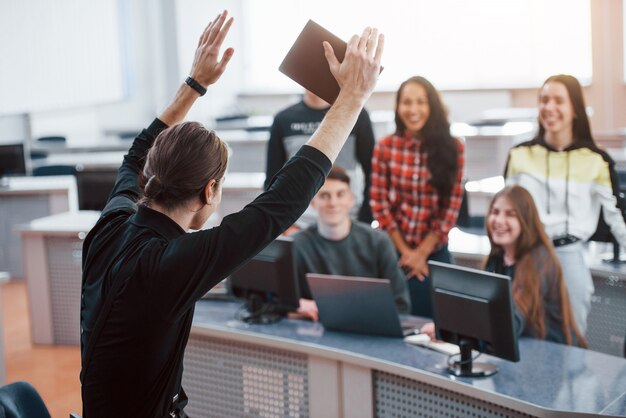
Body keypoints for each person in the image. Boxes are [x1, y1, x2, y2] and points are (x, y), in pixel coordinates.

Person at [79, 11, 384, 417]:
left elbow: (137, 154)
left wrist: (195, 84)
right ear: (210, 191)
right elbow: (280, 205)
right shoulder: (169, 265)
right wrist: (352, 99)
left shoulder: (109, 227)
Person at [505, 74, 626, 335]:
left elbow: (617, 219)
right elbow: (506, 211)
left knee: (571, 337)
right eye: (544, 100)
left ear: (575, 109)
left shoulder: (596, 159)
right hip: (527, 254)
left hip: (570, 256)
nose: (549, 107)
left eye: (559, 100)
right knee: (521, 335)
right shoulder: (519, 155)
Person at [421, 186, 586, 346]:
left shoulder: (539, 260)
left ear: (526, 220)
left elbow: (510, 324)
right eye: (495, 212)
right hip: (521, 347)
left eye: (510, 214)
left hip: (551, 355)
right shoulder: (498, 257)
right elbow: (485, 311)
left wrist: (451, 331)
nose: (499, 220)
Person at [370, 76, 464, 318]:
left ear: (432, 106)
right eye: (406, 102)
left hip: (434, 249)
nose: (413, 110)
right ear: (398, 107)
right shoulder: (385, 147)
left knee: (441, 320)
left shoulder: (454, 147)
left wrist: (421, 253)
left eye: (420, 102)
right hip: (394, 248)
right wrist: (406, 253)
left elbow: (451, 208)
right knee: (395, 317)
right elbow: (378, 203)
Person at [292, 165, 411, 321]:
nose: (333, 203)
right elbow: (280, 302)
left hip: (370, 331)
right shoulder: (297, 245)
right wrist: (296, 305)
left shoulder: (378, 242)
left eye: (340, 194)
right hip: (315, 331)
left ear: (351, 200)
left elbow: (401, 306)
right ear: (312, 203)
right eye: (324, 196)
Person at [265, 89, 376, 224]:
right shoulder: (283, 119)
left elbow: (372, 173)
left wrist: (366, 218)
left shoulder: (357, 114)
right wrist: (280, 223)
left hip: (348, 217)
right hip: (299, 221)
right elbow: (272, 180)